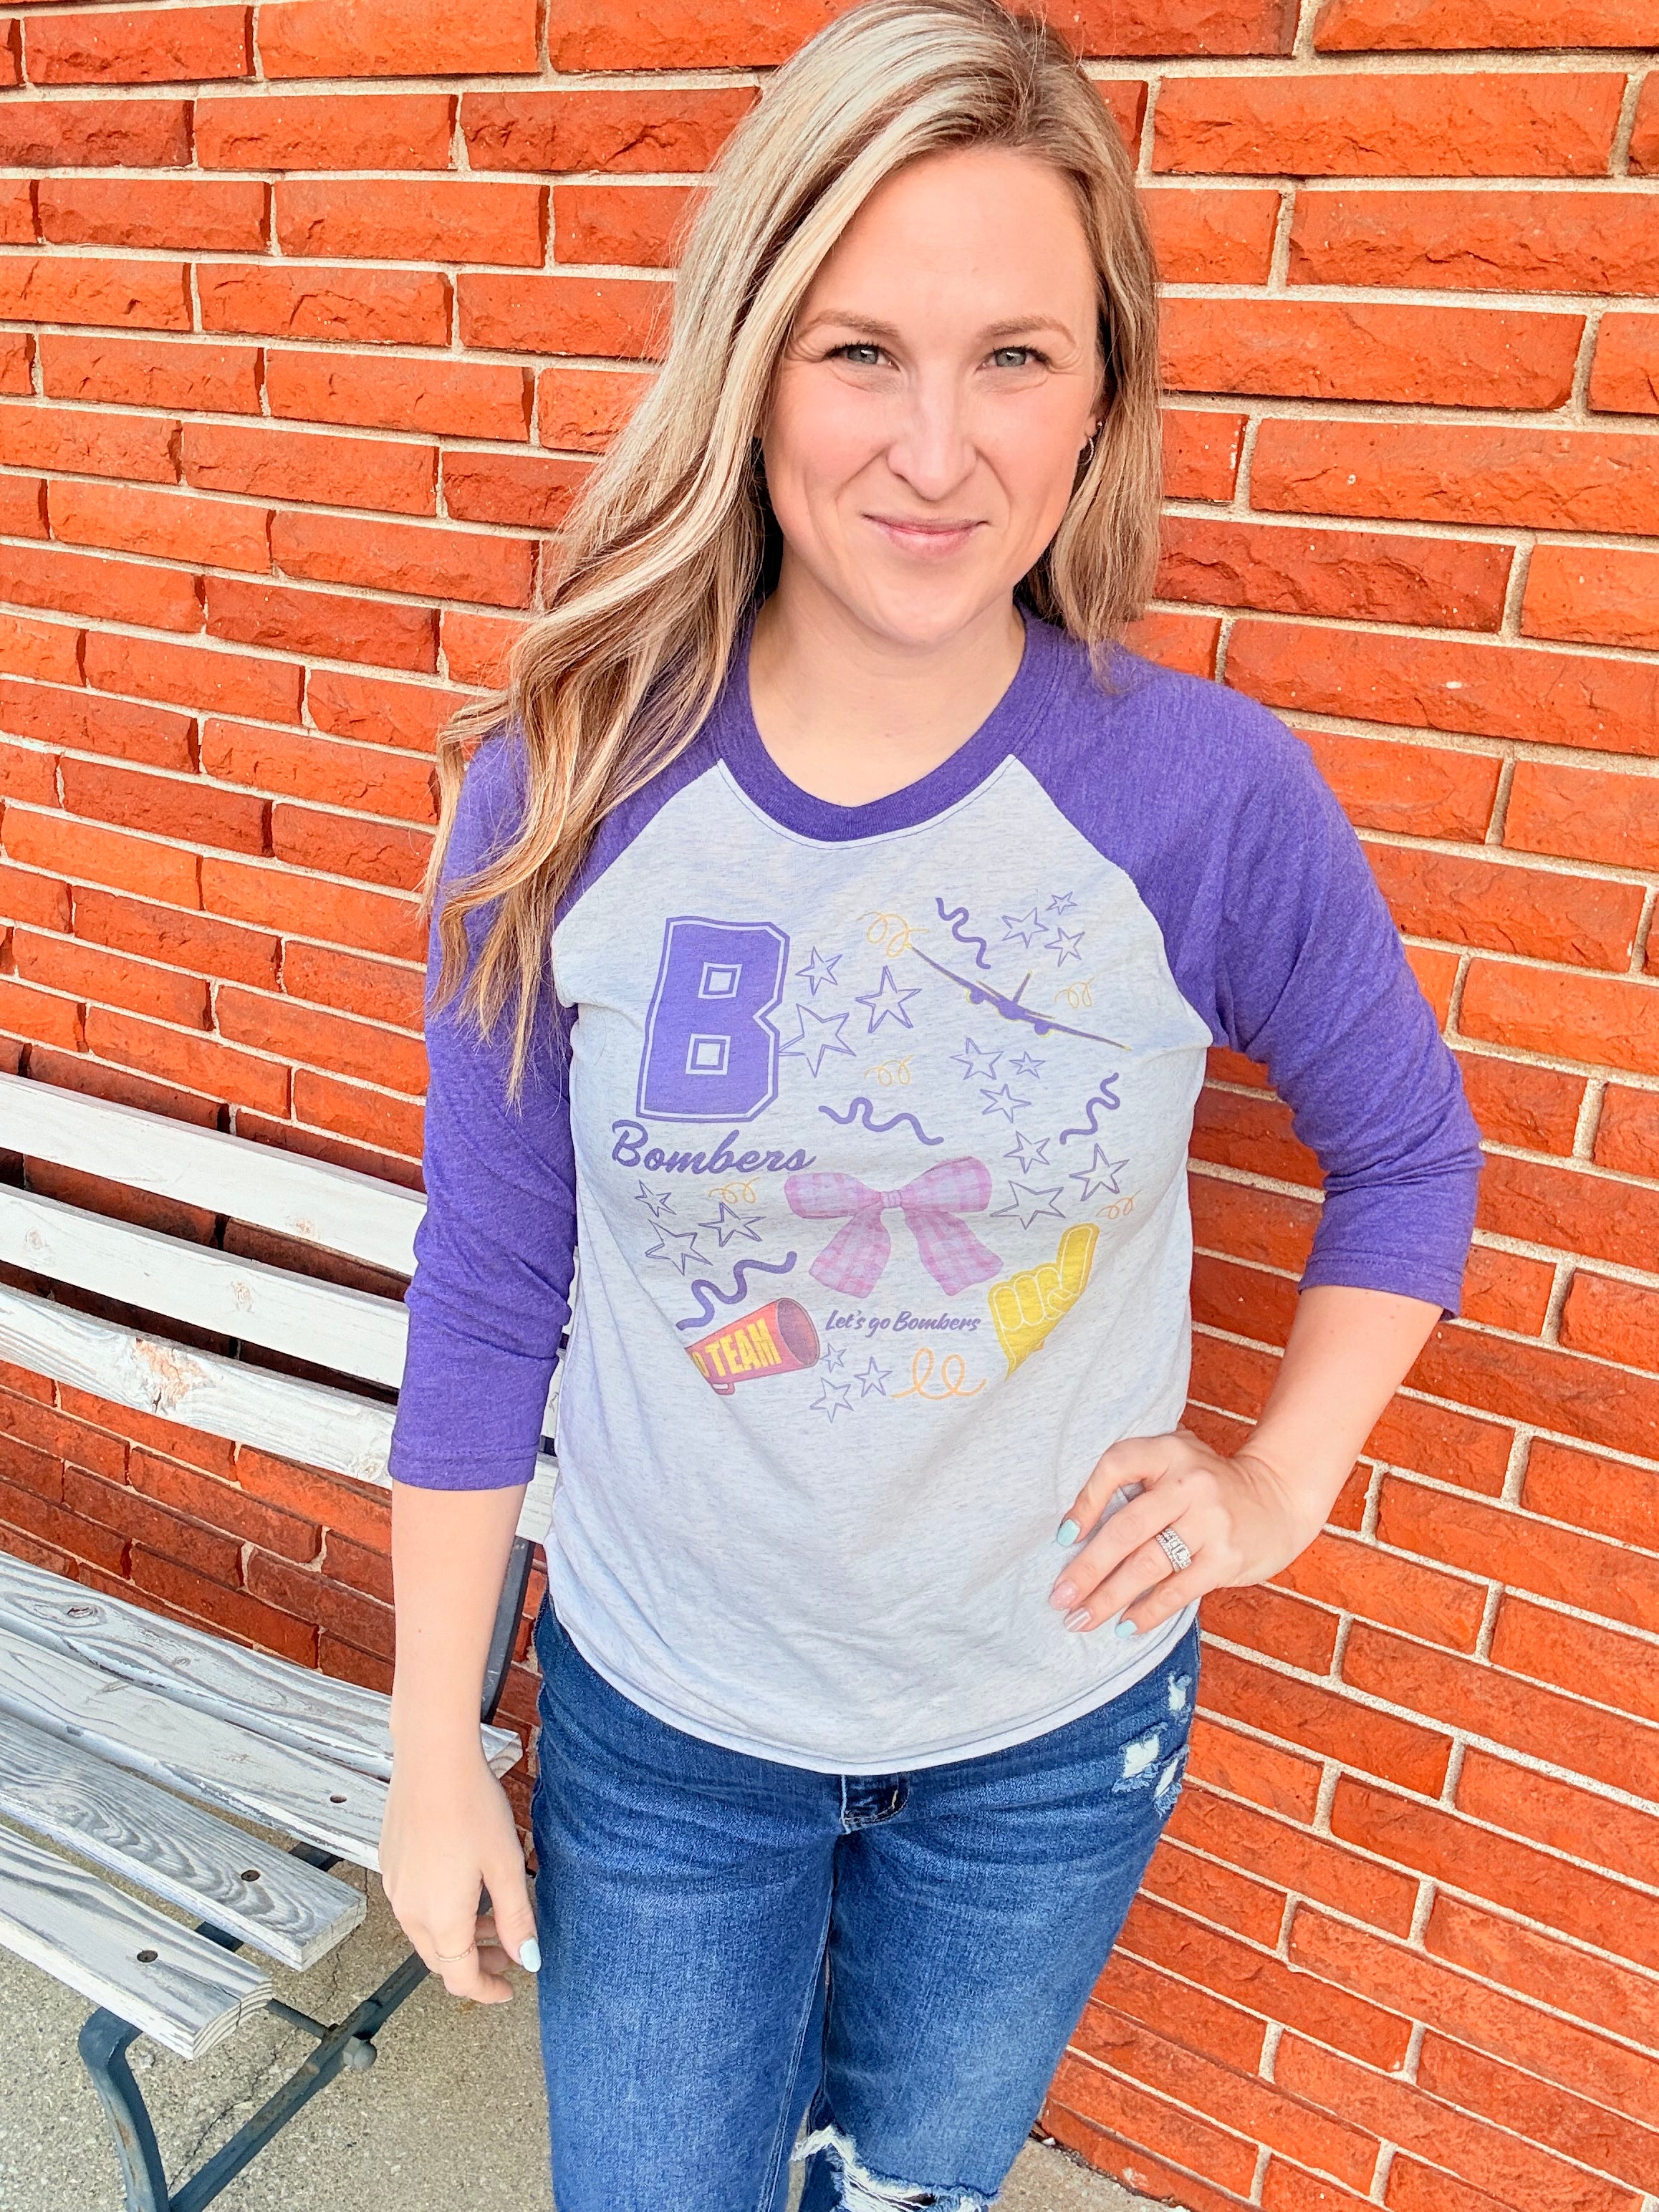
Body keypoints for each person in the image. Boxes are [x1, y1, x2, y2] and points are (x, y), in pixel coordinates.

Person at [378, 3, 1484, 2206]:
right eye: (860, 350)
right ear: (750, 362)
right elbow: (493, 1286)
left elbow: (1408, 1157)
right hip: (668, 1737)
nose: (934, 448)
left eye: (1014, 357)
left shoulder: (1202, 797)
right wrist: (429, 1750)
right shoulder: (571, 792)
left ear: (1099, 398)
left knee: (907, 2195)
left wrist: (1277, 1482)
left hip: (1043, 1745)